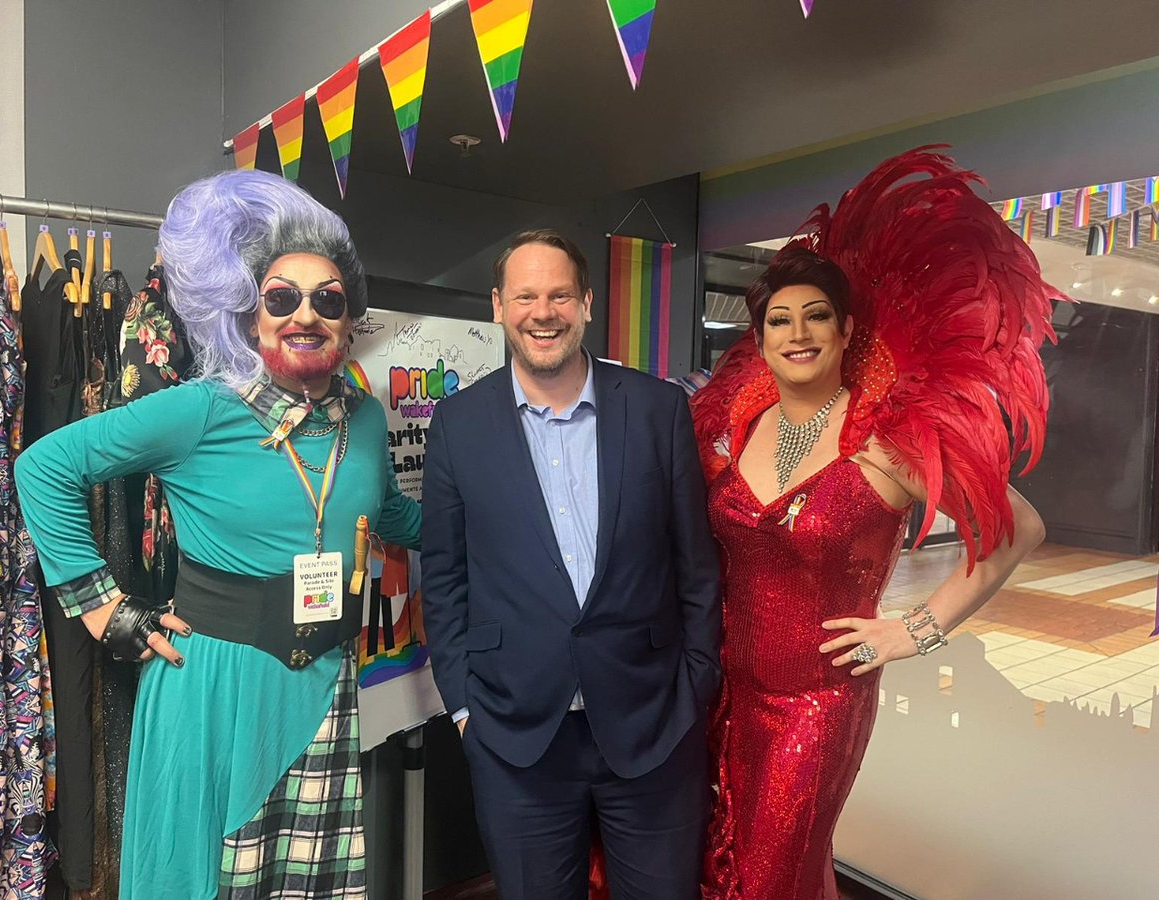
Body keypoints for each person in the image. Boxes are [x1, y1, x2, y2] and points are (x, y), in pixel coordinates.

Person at [16, 169, 420, 899]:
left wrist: (493, 517)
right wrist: (102, 607)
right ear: (251, 315)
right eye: (282, 297)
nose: (307, 314)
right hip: (215, 689)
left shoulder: (362, 417)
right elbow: (45, 468)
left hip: (325, 685)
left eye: (329, 299)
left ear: (350, 316)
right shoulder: (203, 409)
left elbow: (388, 513)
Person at [692, 146, 1057, 900]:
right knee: (724, 867)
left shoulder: (886, 440)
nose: (798, 333)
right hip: (723, 695)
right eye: (779, 320)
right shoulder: (738, 425)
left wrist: (915, 629)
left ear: (845, 328)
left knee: (771, 880)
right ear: (758, 339)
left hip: (817, 704)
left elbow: (1018, 526)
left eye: (815, 316)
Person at [420, 229, 721, 899]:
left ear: (586, 303)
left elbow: (695, 565)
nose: (543, 311)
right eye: (525, 295)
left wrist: (695, 686)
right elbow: (443, 579)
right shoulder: (458, 424)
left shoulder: (657, 410)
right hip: (515, 735)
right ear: (499, 306)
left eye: (559, 294)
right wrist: (465, 707)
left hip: (653, 727)